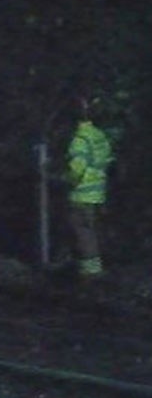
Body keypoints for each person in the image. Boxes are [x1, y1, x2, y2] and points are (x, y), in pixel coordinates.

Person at [65, 97, 114, 279]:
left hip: (81, 196)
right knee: (94, 232)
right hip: (98, 194)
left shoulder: (80, 140)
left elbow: (76, 170)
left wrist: (63, 179)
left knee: (83, 235)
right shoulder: (99, 136)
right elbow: (108, 162)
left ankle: (91, 274)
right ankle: (96, 269)